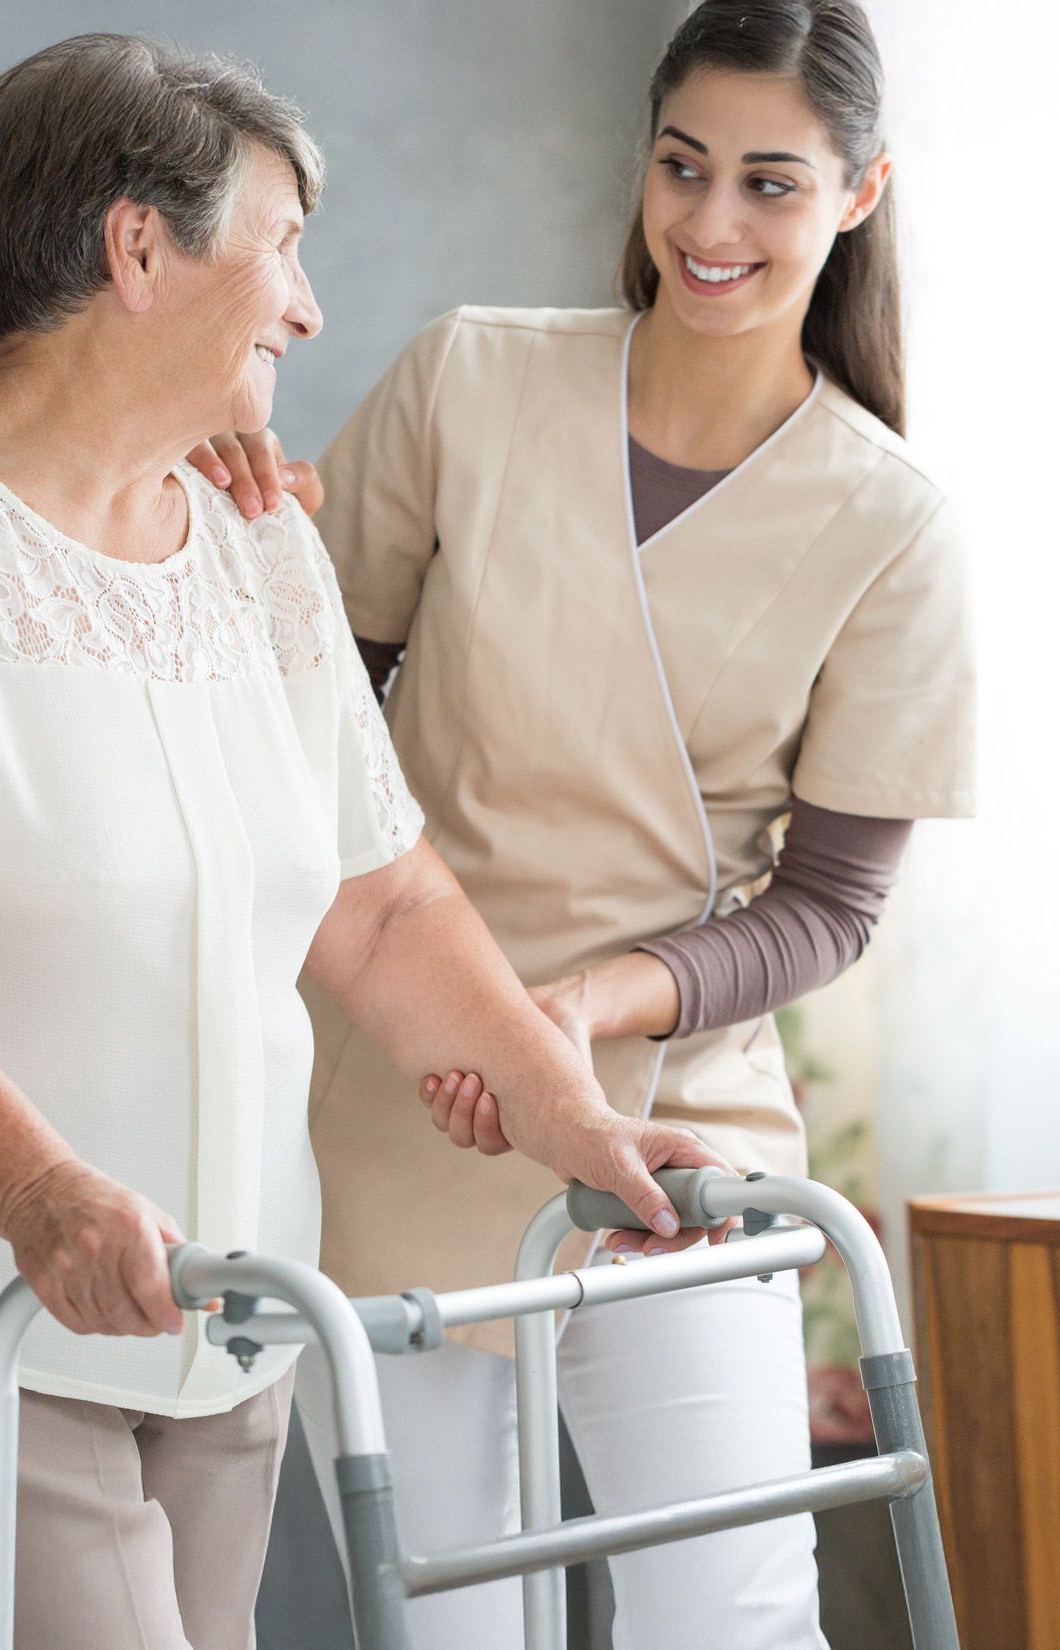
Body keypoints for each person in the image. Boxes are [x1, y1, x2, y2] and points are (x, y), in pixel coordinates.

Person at [0, 34, 722, 1650]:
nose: (308, 305)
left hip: (229, 1310)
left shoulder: (255, 544)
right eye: (283, 243)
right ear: (138, 248)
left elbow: (378, 906)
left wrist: (573, 1122)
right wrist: (37, 1191)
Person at [192, 2, 976, 1644]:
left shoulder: (889, 524)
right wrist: (213, 516)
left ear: (858, 194)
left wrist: (578, 1009)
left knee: (731, 1614)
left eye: (770, 183)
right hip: (411, 1093)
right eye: (680, 166)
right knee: (453, 1621)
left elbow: (826, 906)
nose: (707, 223)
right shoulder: (471, 375)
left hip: (673, 1133)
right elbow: (300, 715)